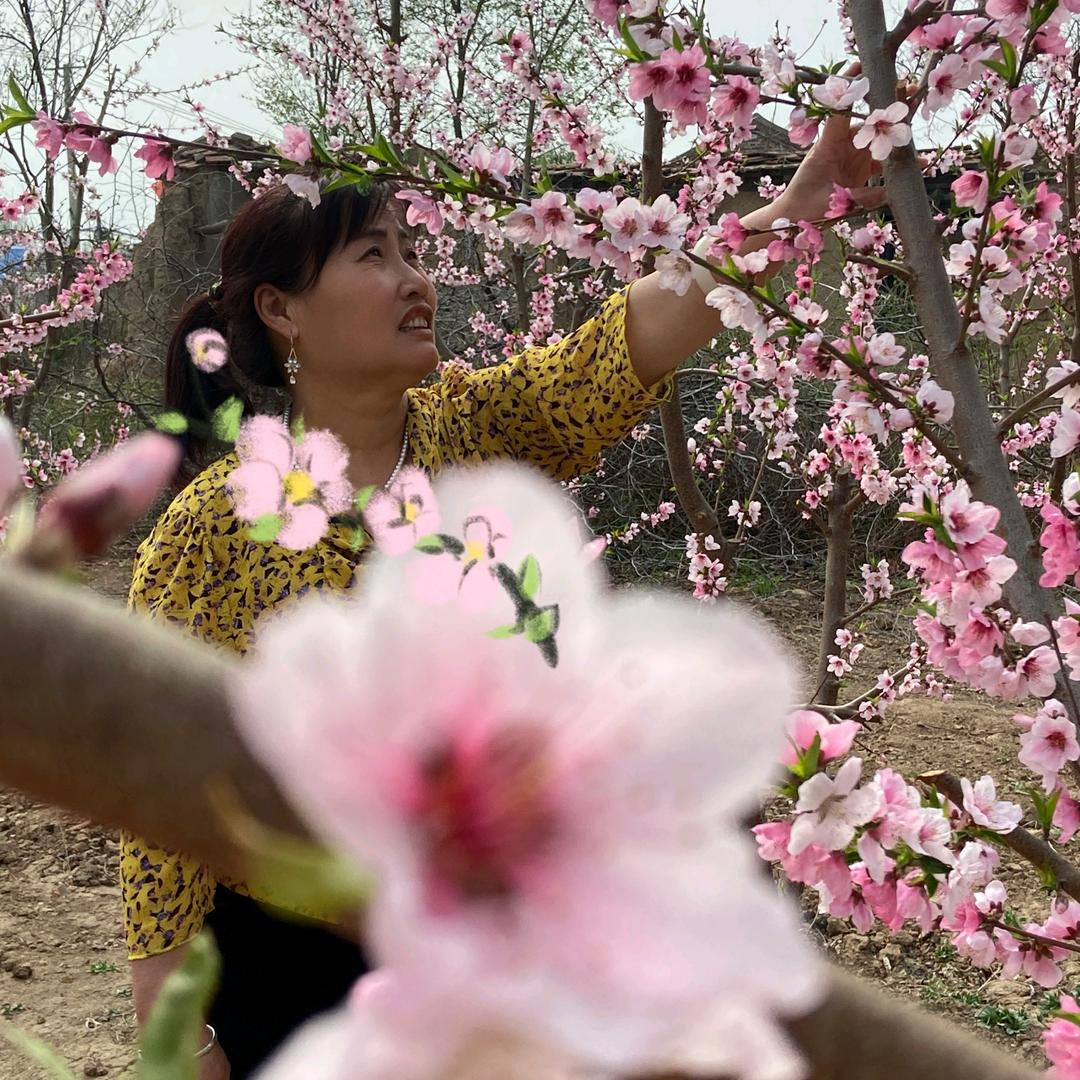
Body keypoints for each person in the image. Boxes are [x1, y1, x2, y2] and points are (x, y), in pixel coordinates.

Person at [121, 113, 880, 1079]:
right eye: (372, 256)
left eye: (410, 251)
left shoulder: (474, 430)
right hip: (290, 957)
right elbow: (160, 785)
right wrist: (172, 1012)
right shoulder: (210, 532)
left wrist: (784, 215)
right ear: (282, 309)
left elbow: (619, 347)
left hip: (500, 941)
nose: (414, 281)